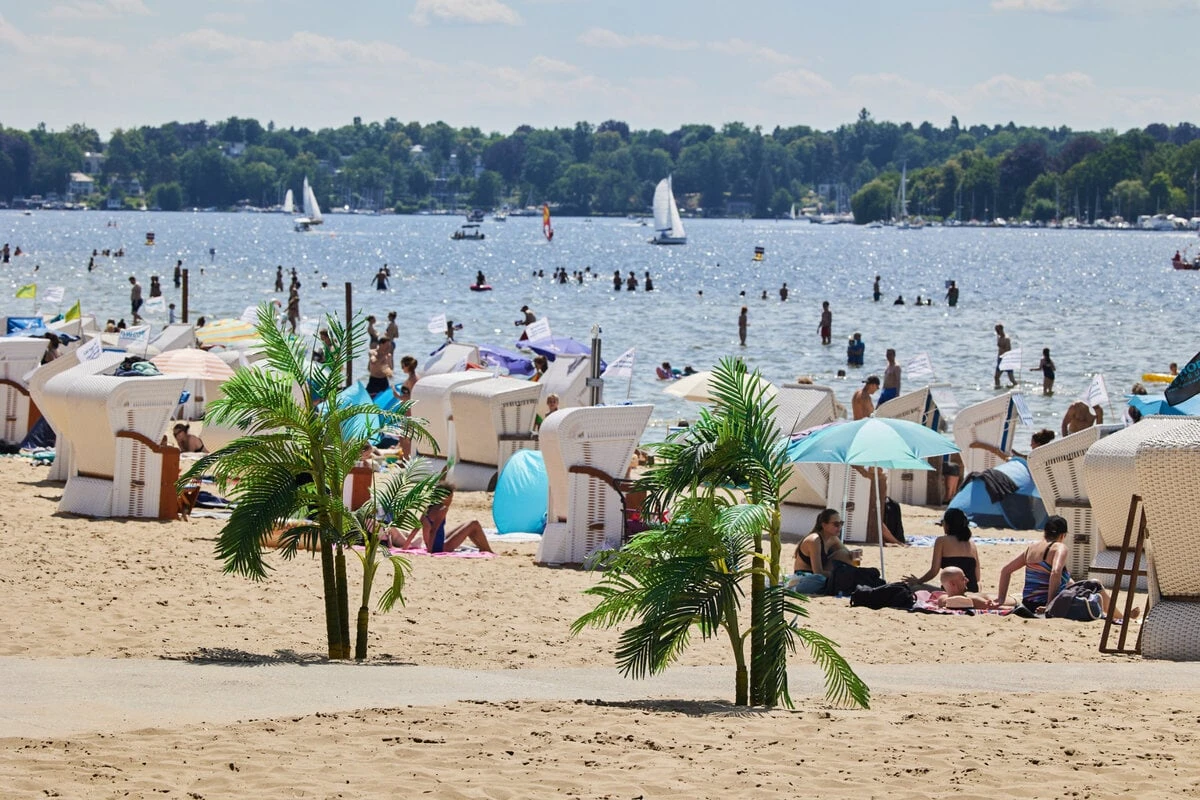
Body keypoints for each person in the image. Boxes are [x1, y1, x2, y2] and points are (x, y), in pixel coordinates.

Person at [388, 487, 495, 553]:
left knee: (468, 525)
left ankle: (483, 548)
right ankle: (488, 549)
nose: (451, 500)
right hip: (441, 547)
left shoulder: (427, 509)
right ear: (444, 497)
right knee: (474, 523)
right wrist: (431, 550)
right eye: (450, 497)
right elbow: (434, 530)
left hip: (434, 544)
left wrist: (405, 548)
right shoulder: (442, 509)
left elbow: (415, 530)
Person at [904, 508, 981, 592]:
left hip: (952, 592)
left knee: (913, 588)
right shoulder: (972, 543)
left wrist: (918, 581)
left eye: (943, 522)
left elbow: (934, 571)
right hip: (972, 591)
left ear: (948, 524)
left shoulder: (941, 541)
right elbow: (977, 577)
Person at [789, 508, 858, 595]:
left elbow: (848, 556)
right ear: (824, 525)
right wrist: (840, 576)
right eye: (836, 524)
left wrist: (855, 555)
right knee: (821, 580)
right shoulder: (814, 540)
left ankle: (853, 578)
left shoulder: (833, 538)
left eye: (841, 523)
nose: (839, 527)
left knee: (844, 554)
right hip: (806, 577)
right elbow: (818, 572)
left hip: (820, 576)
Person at [993, 324, 1016, 388]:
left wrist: (1001, 347)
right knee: (996, 377)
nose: (997, 332)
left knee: (1011, 379)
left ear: (1001, 329)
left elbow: (1008, 350)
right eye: (996, 330)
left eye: (997, 330)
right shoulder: (999, 337)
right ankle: (998, 389)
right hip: (1000, 359)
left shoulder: (1007, 338)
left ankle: (1017, 387)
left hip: (1006, 359)